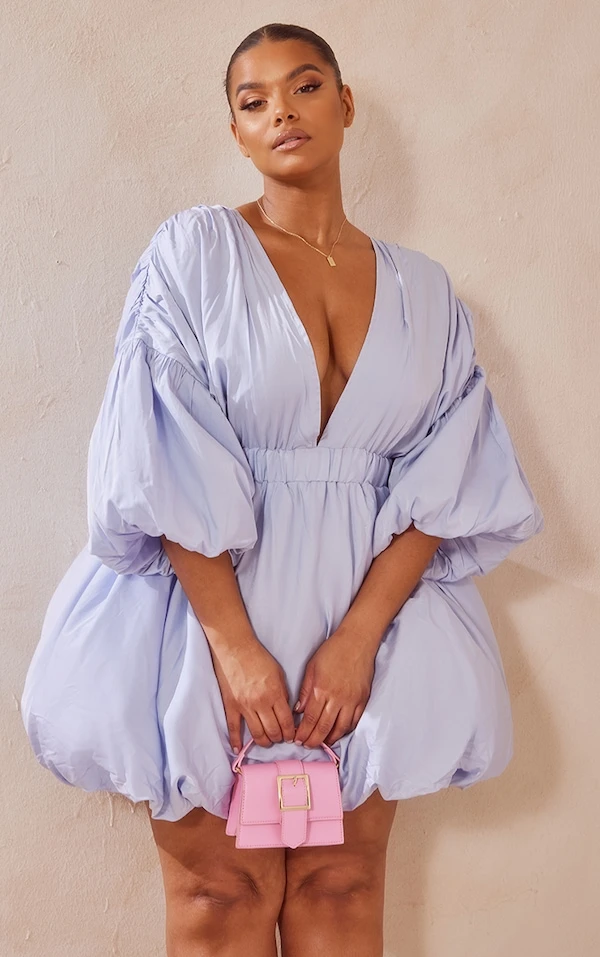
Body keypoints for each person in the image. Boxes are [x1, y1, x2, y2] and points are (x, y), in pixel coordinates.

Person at [20, 21, 544, 957]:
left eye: (303, 87)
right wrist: (234, 646)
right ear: (235, 131)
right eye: (252, 100)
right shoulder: (195, 252)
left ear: (344, 106)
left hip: (370, 612)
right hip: (210, 606)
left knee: (345, 887)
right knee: (220, 891)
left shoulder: (426, 290)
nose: (281, 112)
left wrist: (358, 639)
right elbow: (159, 450)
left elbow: (449, 471)